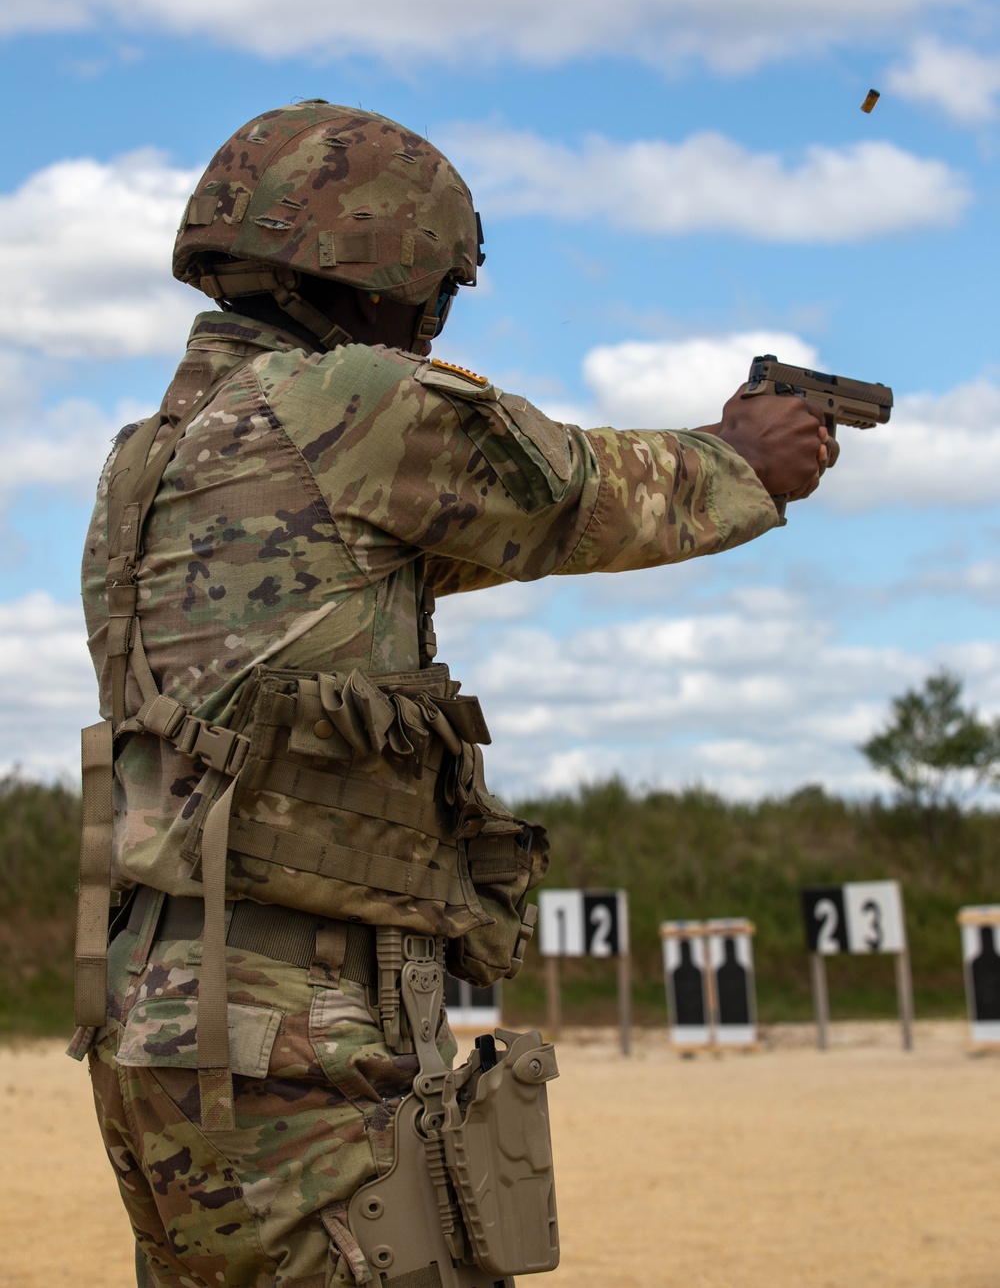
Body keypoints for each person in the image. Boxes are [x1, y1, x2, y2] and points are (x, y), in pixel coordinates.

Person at [70, 101, 836, 1288]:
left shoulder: (159, 451)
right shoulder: (343, 401)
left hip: (162, 1009)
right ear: (383, 276)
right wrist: (743, 459)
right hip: (305, 1026)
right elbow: (572, 492)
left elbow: (468, 531)